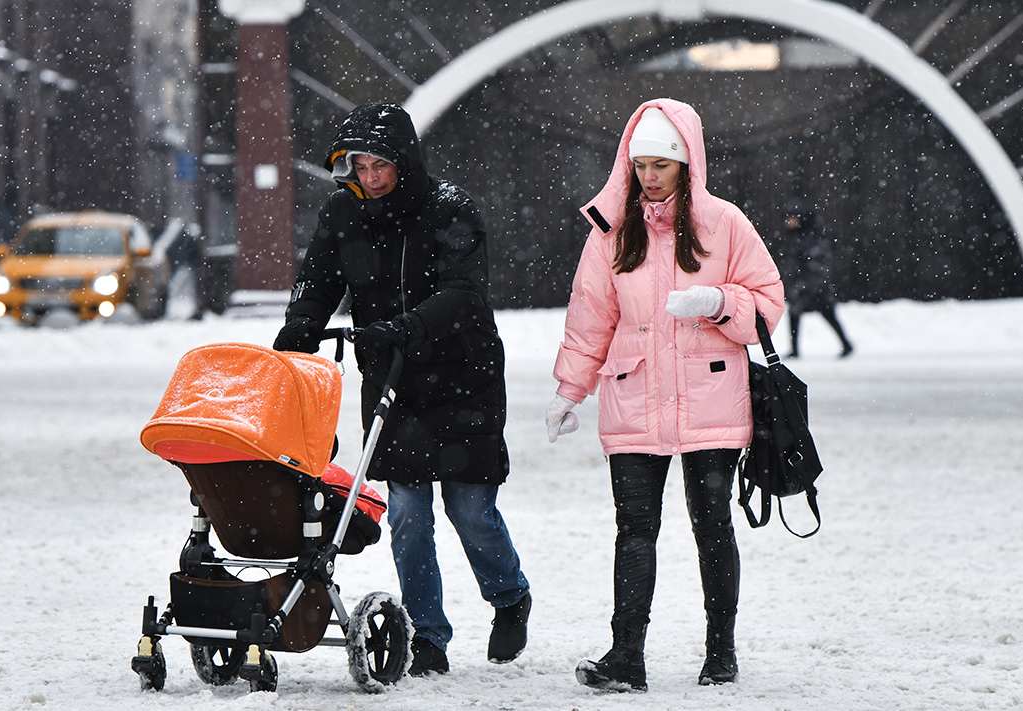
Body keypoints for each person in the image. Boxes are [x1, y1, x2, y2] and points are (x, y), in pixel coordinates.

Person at [272, 103, 531, 677]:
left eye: (380, 165)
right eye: (359, 167)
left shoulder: (450, 210)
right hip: (393, 379)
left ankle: (510, 596)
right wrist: (300, 329)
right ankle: (427, 636)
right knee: (409, 513)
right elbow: (318, 280)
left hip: (463, 374)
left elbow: (466, 294)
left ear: (404, 160)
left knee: (470, 510)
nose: (371, 177)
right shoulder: (344, 214)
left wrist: (409, 326)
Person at [547, 99, 785, 692]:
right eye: (640, 164)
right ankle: (626, 656)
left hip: (711, 395)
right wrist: (568, 390)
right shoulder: (610, 231)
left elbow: (769, 305)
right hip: (634, 397)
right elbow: (591, 318)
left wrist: (719, 303)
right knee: (634, 529)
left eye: (661, 164)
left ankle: (720, 651)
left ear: (687, 164)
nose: (649, 176)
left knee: (712, 526)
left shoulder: (725, 223)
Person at [783, 201, 852, 358]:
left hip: (814, 284)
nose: (788, 222)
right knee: (802, 313)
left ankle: (846, 344)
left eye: (791, 218)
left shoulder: (812, 235)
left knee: (822, 313)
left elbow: (817, 259)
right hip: (810, 284)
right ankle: (845, 344)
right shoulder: (802, 234)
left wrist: (806, 281)